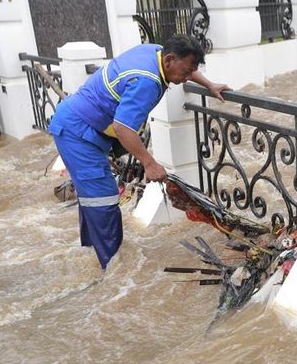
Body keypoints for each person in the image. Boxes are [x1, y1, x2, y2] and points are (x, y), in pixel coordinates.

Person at [48, 35, 230, 269]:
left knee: (92, 197)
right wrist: (150, 163)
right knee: (102, 199)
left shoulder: (155, 52)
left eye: (190, 72)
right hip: (78, 133)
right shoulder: (147, 81)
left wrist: (209, 85)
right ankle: (112, 270)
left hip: (79, 124)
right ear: (169, 60)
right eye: (185, 71)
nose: (186, 77)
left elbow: (187, 66)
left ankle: (91, 253)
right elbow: (124, 129)